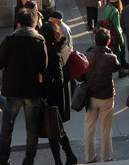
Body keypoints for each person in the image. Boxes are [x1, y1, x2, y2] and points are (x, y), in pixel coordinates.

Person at [0, 9, 49, 165]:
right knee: (32, 130)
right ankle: (28, 161)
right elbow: (44, 66)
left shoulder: (9, 40)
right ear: (33, 24)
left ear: (18, 23)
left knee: (6, 128)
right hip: (33, 90)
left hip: (13, 89)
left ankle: (3, 160)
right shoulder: (39, 41)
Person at [79, 27, 121, 163]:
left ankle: (89, 156)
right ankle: (106, 157)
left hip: (90, 95)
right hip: (106, 95)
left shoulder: (87, 55)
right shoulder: (111, 57)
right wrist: (110, 52)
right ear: (108, 42)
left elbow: (80, 77)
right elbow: (117, 67)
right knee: (106, 128)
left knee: (89, 126)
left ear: (95, 40)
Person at [40, 21, 78, 165]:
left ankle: (61, 159)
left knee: (53, 131)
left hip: (54, 98)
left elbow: (58, 80)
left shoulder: (53, 53)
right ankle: (68, 157)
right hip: (63, 96)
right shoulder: (63, 47)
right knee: (57, 130)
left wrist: (43, 78)